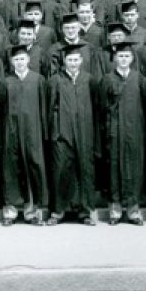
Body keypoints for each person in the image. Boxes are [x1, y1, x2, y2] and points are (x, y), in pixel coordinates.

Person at [0, 42, 48, 225]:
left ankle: (31, 212)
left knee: (32, 169)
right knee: (10, 170)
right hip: (10, 132)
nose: (19, 62)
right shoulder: (5, 82)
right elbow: (1, 109)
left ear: (28, 60)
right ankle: (10, 213)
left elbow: (43, 108)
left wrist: (42, 133)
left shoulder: (38, 80)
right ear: (11, 61)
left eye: (22, 59)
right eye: (16, 59)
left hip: (32, 133)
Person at [48, 43, 99, 224]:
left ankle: (86, 212)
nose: (73, 63)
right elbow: (49, 108)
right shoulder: (55, 79)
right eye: (69, 59)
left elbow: (96, 107)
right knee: (60, 170)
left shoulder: (89, 79)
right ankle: (57, 211)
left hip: (85, 131)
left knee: (85, 171)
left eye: (76, 59)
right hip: (62, 132)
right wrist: (54, 131)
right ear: (64, 61)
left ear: (81, 61)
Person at [99, 40, 146, 226]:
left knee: (135, 169)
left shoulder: (139, 78)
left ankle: (134, 211)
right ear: (114, 58)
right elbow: (102, 108)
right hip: (114, 132)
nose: (124, 59)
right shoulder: (107, 79)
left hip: (135, 132)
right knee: (114, 170)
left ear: (132, 58)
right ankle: (115, 210)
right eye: (120, 56)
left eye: (127, 56)